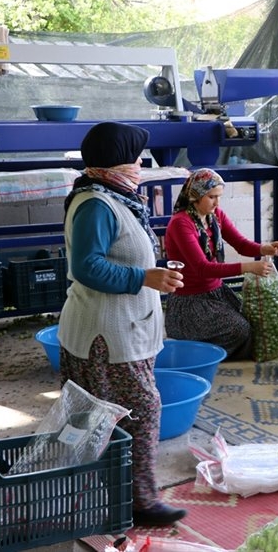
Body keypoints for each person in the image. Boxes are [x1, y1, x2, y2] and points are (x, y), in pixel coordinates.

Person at [57, 122, 187, 527]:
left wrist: (150, 275)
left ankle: (93, 494)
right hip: (104, 334)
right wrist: (144, 278)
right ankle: (139, 502)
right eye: (134, 158)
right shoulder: (96, 204)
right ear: (117, 160)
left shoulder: (116, 197)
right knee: (141, 409)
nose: (139, 165)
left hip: (125, 329)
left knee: (98, 417)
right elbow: (86, 267)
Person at [164, 168, 278, 358]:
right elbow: (203, 269)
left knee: (255, 321)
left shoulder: (215, 216)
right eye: (212, 197)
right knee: (239, 330)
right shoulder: (181, 224)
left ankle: (203, 348)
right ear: (196, 196)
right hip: (191, 302)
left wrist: (265, 249)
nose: (217, 202)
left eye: (219, 196)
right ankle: (194, 352)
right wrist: (248, 267)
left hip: (216, 293)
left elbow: (241, 244)